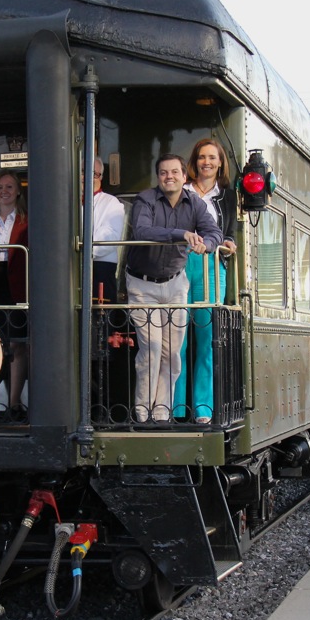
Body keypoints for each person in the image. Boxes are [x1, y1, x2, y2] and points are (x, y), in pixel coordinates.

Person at [125, 153, 222, 423]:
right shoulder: (146, 199)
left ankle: (163, 409)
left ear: (183, 176)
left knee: (172, 351)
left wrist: (208, 244)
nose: (170, 177)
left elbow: (214, 232)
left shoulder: (195, 203)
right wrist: (181, 234)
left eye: (175, 172)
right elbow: (143, 231)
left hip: (176, 283)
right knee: (152, 346)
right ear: (159, 178)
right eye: (164, 173)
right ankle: (142, 409)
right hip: (143, 284)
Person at [174, 138, 237, 423]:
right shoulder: (182, 189)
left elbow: (230, 230)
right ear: (195, 161)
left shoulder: (227, 195)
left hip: (212, 266)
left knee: (206, 337)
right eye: (202, 157)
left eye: (212, 157)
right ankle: (174, 407)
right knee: (177, 338)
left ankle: (203, 407)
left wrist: (230, 242)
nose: (207, 162)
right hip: (180, 262)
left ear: (220, 162)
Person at [0, 172, 29, 416]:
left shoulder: (27, 220)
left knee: (17, 345)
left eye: (9, 187)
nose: (4, 191)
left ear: (18, 191)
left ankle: (13, 403)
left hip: (17, 286)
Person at [91, 153, 126, 303]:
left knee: (101, 320)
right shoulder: (65, 202)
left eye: (94, 174)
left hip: (100, 270)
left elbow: (110, 237)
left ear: (100, 178)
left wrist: (76, 251)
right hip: (68, 270)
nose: (87, 177)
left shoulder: (112, 203)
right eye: (82, 172)